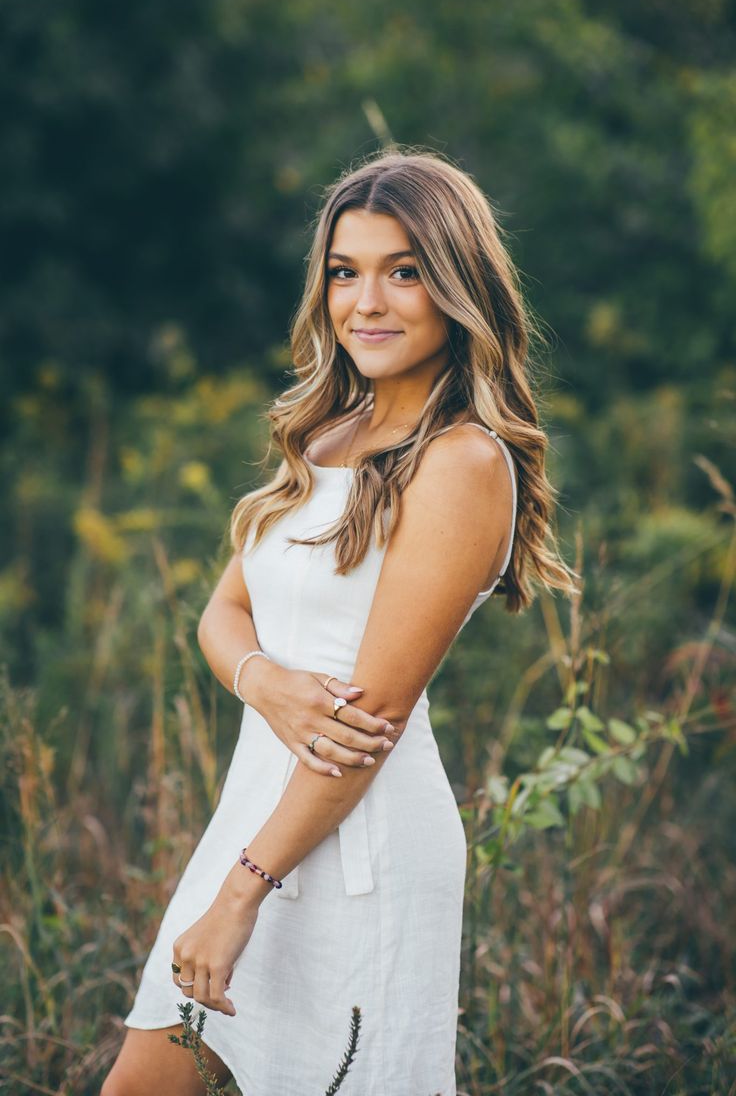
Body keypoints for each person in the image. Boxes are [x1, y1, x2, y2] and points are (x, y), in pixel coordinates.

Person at [102, 146, 579, 1096]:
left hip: (358, 845)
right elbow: (223, 612)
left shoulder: (463, 463)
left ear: (458, 286)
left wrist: (242, 894)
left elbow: (367, 725)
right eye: (344, 272)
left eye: (404, 272)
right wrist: (267, 681)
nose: (367, 301)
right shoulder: (325, 436)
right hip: (253, 817)